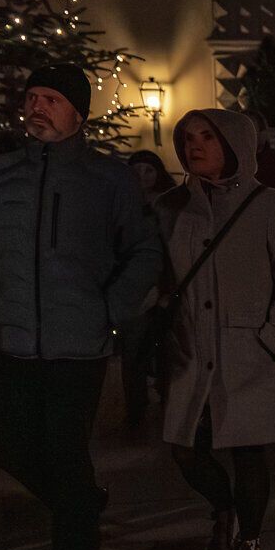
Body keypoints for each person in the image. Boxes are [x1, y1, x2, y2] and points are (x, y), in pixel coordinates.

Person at [0, 64, 163, 550]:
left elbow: (144, 251)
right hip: (9, 340)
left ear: (78, 112)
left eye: (51, 99)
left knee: (66, 455)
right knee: (4, 443)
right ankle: (80, 510)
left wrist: (110, 307)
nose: (38, 107)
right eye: (32, 98)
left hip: (79, 346)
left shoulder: (108, 180)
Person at [155, 109, 275, 550]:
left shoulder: (271, 204)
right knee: (185, 449)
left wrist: (271, 338)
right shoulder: (169, 207)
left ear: (234, 144)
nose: (194, 145)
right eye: (187, 137)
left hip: (247, 351)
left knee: (247, 451)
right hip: (189, 349)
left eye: (207, 136)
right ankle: (223, 512)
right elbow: (155, 273)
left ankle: (249, 541)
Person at [118, 150, 176, 424]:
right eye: (136, 170)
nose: (142, 177)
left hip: (164, 288)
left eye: (148, 171)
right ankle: (136, 408)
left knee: (166, 348)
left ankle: (168, 400)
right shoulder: (120, 204)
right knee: (133, 353)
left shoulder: (169, 207)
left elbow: (173, 252)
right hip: (134, 291)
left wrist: (166, 289)